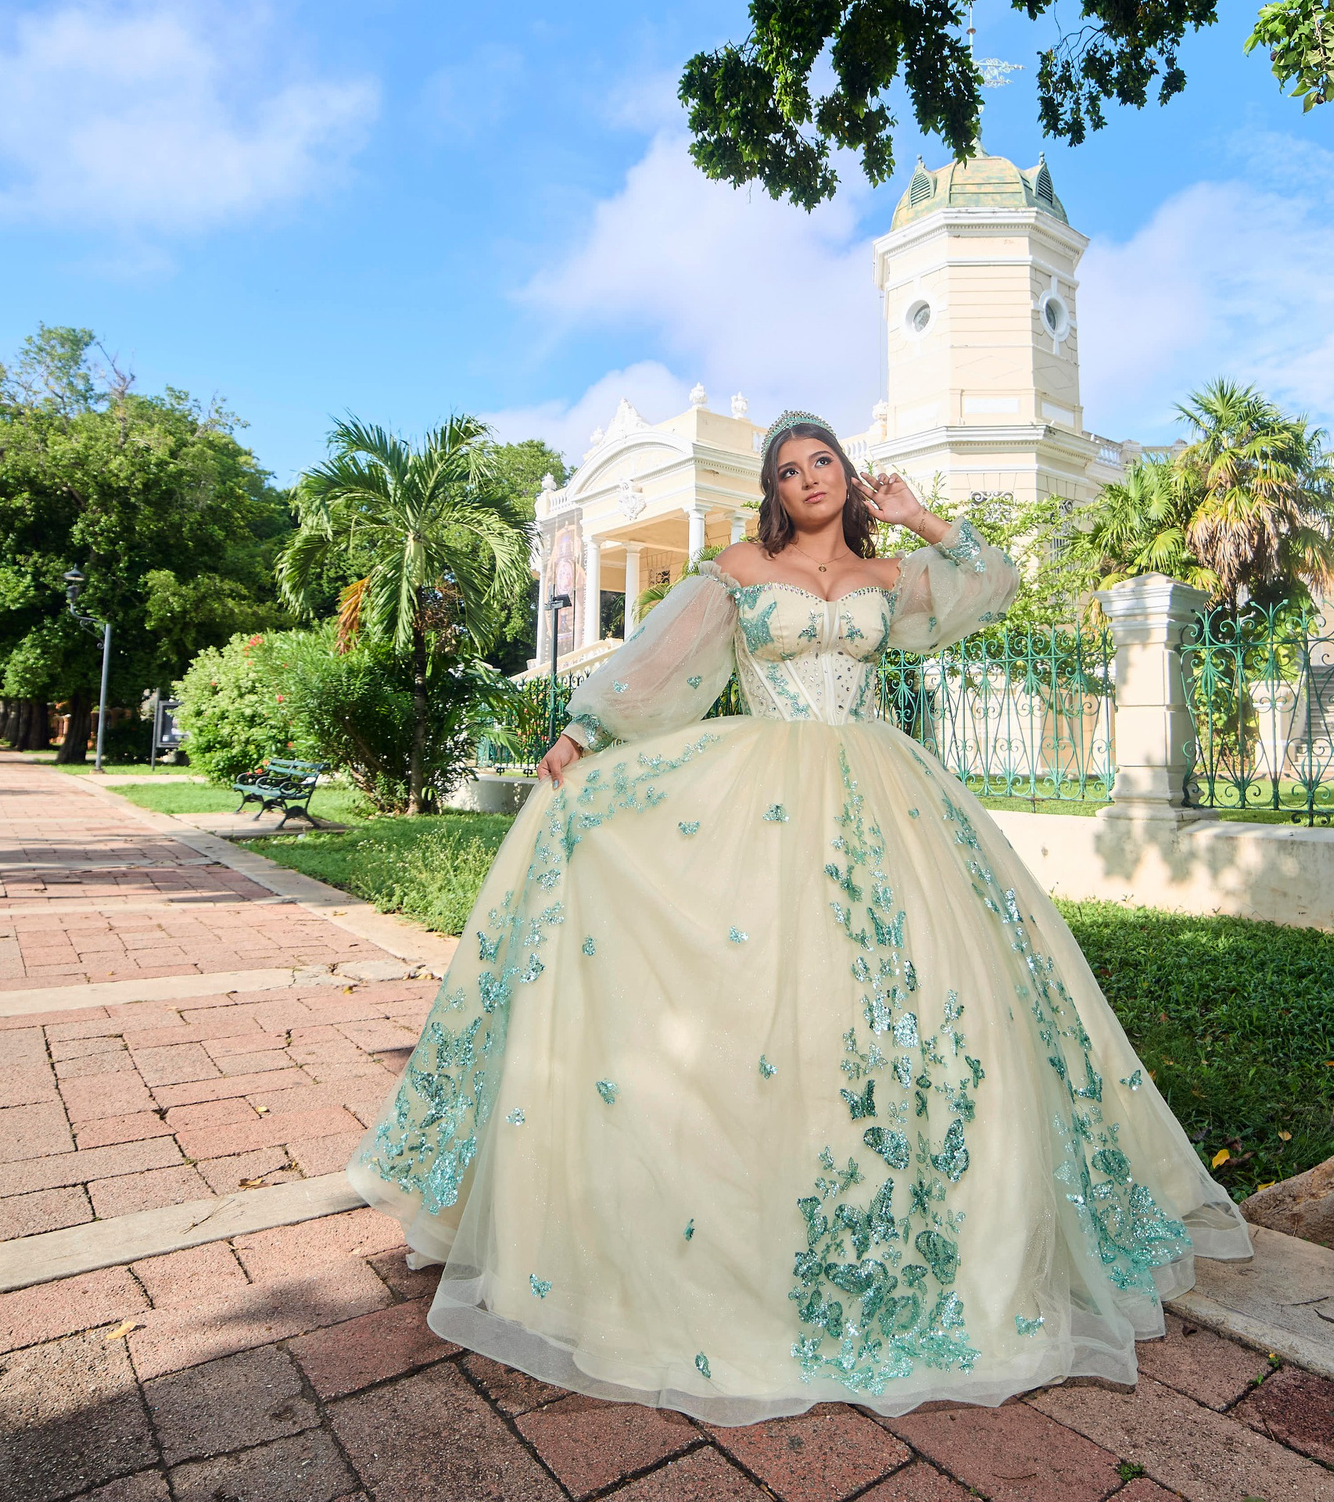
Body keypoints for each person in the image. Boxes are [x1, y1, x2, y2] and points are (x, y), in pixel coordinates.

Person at [347, 412, 1249, 1426]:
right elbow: (660, 661)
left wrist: (920, 518)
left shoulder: (891, 580)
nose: (809, 477)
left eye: (824, 462)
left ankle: (935, 1240)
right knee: (766, 998)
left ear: (849, 477)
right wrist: (583, 732)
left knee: (928, 993)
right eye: (789, 468)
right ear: (772, 490)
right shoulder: (736, 567)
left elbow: (994, 583)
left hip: (886, 793)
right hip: (763, 786)